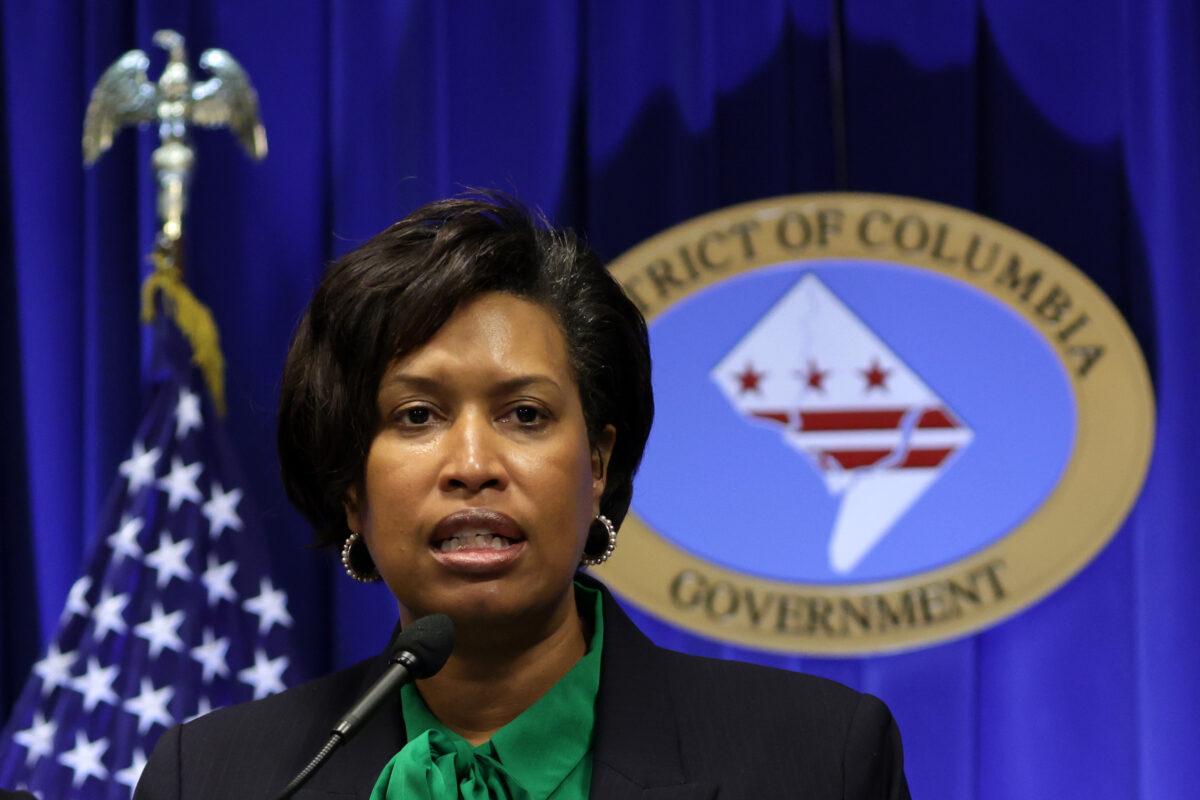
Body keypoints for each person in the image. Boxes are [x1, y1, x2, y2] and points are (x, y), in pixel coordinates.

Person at [136, 194, 910, 799]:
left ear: (598, 464)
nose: (473, 463)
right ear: (349, 489)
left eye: (526, 415)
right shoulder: (213, 779)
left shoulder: (817, 760)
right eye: (416, 416)